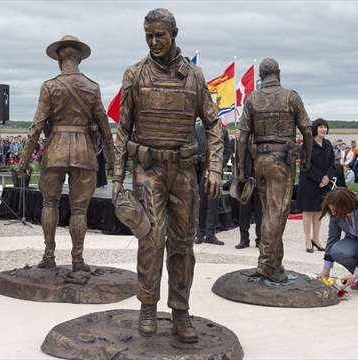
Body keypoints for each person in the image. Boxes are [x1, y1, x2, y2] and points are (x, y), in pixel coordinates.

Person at [111, 8, 223, 343]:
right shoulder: (135, 74)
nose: (154, 41)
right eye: (148, 36)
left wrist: (216, 166)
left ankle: (180, 310)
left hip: (185, 172)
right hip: (149, 170)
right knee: (151, 238)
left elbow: (215, 124)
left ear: (174, 33)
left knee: (183, 244)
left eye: (160, 35)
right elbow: (123, 129)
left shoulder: (195, 76)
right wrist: (117, 180)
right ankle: (148, 304)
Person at [17, 35, 115, 272]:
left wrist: (23, 162)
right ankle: (77, 260)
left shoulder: (50, 87)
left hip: (55, 151)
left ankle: (49, 256)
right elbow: (105, 128)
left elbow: (36, 127)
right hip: (84, 153)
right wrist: (112, 163)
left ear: (60, 60)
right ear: (79, 59)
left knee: (49, 203)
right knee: (79, 209)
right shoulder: (92, 87)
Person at [238, 58, 312, 282]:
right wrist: (306, 158)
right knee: (276, 212)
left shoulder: (252, 98)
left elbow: (242, 137)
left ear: (261, 76)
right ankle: (267, 263)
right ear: (278, 73)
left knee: (270, 211)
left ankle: (275, 261)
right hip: (281, 161)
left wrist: (242, 167)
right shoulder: (291, 96)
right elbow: (307, 131)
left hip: (260, 160)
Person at [296, 118, 334, 253]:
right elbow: (306, 164)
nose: (323, 129)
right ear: (315, 129)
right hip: (309, 183)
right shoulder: (308, 144)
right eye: (320, 127)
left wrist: (327, 177)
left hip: (324, 184)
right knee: (308, 211)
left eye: (325, 127)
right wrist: (320, 178)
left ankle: (316, 239)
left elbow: (332, 163)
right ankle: (307, 240)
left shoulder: (328, 144)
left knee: (319, 211)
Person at [195, 125, 230, 246]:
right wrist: (200, 168)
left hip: (216, 173)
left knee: (213, 205)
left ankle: (211, 234)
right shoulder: (197, 130)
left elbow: (227, 152)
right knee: (201, 204)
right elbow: (193, 150)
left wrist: (217, 168)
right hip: (201, 173)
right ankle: (200, 233)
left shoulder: (223, 132)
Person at [234, 131, 263, 249]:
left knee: (259, 213)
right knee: (244, 212)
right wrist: (244, 177)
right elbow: (239, 160)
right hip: (245, 182)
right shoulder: (242, 140)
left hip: (259, 182)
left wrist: (259, 178)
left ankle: (260, 239)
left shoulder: (261, 139)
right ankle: (244, 239)